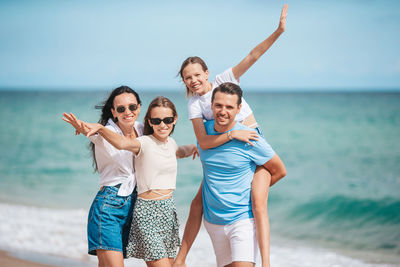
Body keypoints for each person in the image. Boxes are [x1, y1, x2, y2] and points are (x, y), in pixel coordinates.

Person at [174, 4, 288, 267]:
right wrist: (210, 142)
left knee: (258, 203)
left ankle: (267, 262)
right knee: (197, 203)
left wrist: (278, 31)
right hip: (227, 145)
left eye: (196, 75)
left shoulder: (226, 80)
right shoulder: (194, 104)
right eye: (186, 78)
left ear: (207, 73)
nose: (192, 81)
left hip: (251, 141)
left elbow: (253, 55)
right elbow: (205, 140)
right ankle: (181, 259)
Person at [73, 96, 198, 267]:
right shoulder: (143, 142)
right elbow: (122, 143)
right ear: (149, 121)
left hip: (168, 212)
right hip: (147, 213)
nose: (162, 125)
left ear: (175, 119)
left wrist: (197, 147)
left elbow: (180, 151)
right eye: (156, 120)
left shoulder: (171, 143)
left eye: (167, 120)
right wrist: (101, 129)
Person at [201, 83, 286, 266]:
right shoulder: (204, 133)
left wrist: (255, 190)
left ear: (239, 109)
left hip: (242, 220)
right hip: (213, 221)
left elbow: (279, 170)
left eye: (229, 107)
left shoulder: (250, 138)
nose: (223, 111)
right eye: (219, 105)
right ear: (211, 105)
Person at [62, 86, 143, 267]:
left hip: (134, 206)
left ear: (139, 107)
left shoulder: (142, 129)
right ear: (113, 112)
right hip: (109, 208)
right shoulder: (105, 132)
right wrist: (87, 127)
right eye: (121, 109)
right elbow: (91, 131)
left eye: (132, 107)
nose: (127, 112)